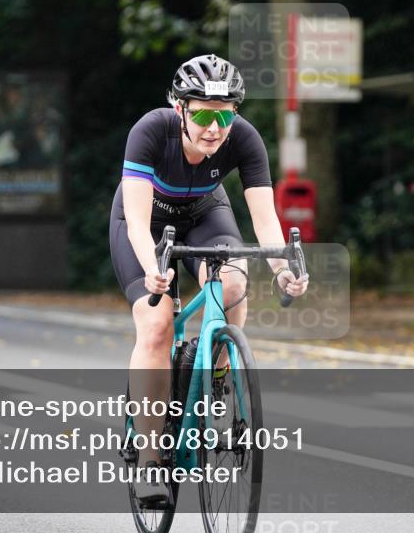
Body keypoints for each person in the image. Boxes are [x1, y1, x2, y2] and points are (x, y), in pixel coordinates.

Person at [110, 53, 309, 505]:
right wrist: (155, 270)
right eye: (202, 114)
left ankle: (217, 372)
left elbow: (265, 220)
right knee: (157, 325)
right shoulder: (150, 131)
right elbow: (139, 224)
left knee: (235, 283)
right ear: (179, 109)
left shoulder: (244, 139)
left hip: (204, 213)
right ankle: (148, 459)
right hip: (144, 220)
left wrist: (283, 272)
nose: (214, 128)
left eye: (224, 115)